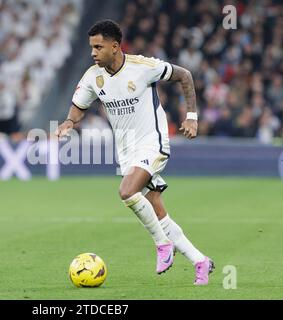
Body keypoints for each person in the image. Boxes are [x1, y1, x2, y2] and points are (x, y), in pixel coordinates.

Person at [55, 20, 214, 285]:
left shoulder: (143, 67)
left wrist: (192, 117)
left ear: (115, 47)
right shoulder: (93, 77)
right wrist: (69, 122)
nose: (93, 52)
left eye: (98, 47)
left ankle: (162, 245)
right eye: (91, 47)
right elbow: (78, 106)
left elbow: (184, 75)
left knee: (126, 192)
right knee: (155, 208)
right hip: (127, 151)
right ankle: (200, 261)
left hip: (153, 142)